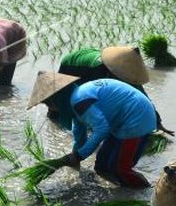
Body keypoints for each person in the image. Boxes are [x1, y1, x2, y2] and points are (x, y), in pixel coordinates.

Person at [27, 72, 156, 187]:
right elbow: (79, 132)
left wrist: (78, 156)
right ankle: (123, 189)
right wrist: (74, 156)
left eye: (49, 103)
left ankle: (146, 193)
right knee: (101, 167)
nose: (51, 108)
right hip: (120, 122)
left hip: (137, 118)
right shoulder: (75, 99)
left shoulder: (80, 100)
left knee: (119, 169)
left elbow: (102, 129)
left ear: (58, 98)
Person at [58, 46, 171, 134]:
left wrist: (157, 121)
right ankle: (56, 123)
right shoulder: (99, 70)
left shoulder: (126, 73)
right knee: (64, 102)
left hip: (89, 61)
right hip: (71, 66)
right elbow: (93, 99)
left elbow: (142, 95)